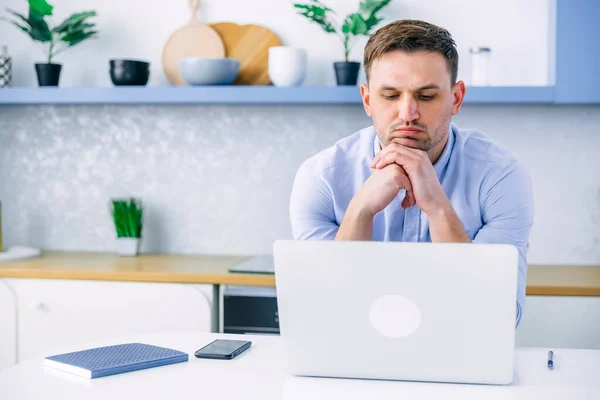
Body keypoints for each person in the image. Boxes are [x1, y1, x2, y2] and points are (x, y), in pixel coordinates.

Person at [289, 19, 534, 327]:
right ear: (367, 99)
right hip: (353, 361)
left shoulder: (500, 177)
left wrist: (439, 209)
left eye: (426, 96)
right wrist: (361, 210)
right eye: (390, 95)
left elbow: (497, 317)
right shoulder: (321, 177)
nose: (407, 114)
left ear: (456, 98)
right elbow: (325, 313)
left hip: (459, 361)